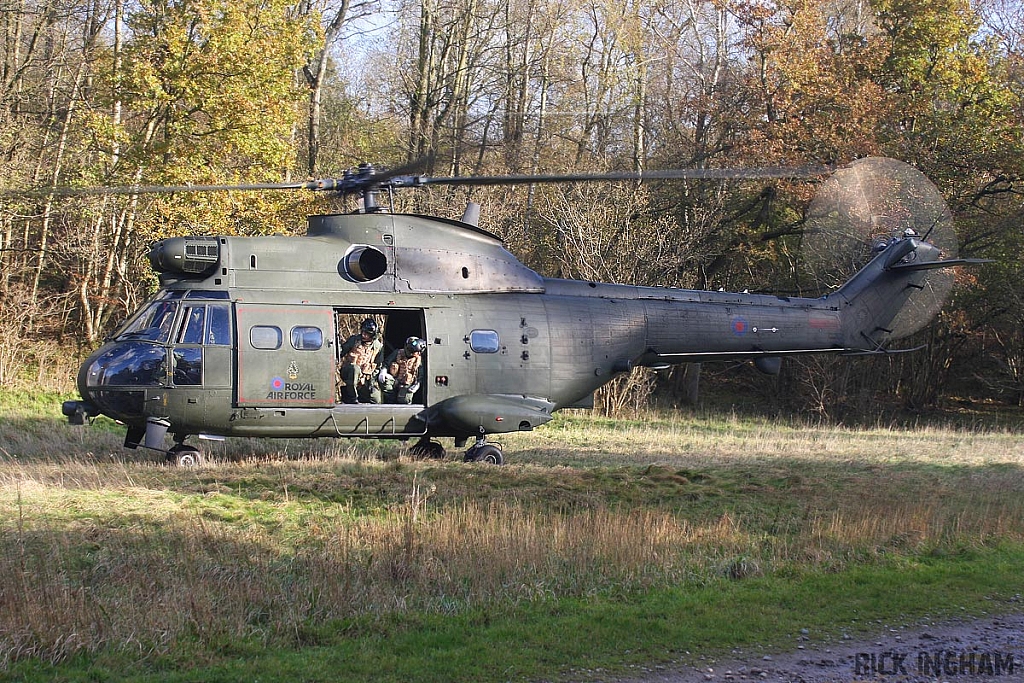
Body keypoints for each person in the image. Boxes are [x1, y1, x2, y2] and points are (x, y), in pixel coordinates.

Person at [339, 318, 383, 404]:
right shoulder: (354, 340)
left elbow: (378, 366)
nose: (363, 335)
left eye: (367, 334)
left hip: (365, 377)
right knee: (355, 369)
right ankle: (352, 397)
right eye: (363, 332)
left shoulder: (378, 347)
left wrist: (371, 381)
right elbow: (341, 352)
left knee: (376, 399)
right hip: (349, 372)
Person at [379, 336, 425, 404]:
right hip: (395, 380)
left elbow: (421, 375)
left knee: (404, 400)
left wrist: (417, 384)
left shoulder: (419, 360)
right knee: (385, 381)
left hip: (407, 384)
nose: (417, 354)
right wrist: (383, 371)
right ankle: (391, 401)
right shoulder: (398, 353)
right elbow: (386, 363)